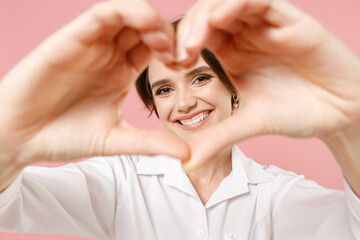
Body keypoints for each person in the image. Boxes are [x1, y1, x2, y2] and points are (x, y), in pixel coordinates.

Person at [0, 0, 360, 239]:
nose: (185, 103)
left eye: (201, 78)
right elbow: (8, 207)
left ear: (233, 88)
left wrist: (352, 128)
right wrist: (8, 137)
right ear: (153, 105)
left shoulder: (277, 195)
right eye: (164, 90)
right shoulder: (119, 180)